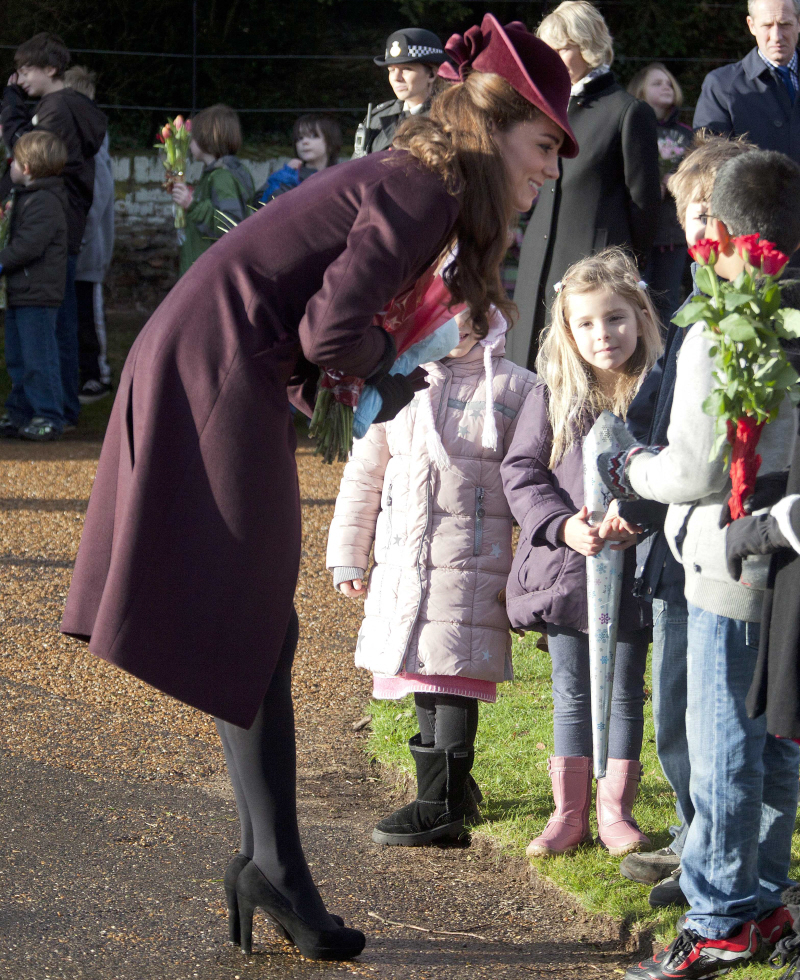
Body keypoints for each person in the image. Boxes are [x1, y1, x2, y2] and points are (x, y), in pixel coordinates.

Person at [60, 14, 577, 961]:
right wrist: (392, 365)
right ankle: (276, 871)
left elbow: (323, 319)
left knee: (262, 623)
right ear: (497, 123)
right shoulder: (424, 188)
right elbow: (331, 334)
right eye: (544, 146)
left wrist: (379, 364)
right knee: (251, 617)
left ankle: (272, 866)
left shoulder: (426, 183)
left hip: (219, 356)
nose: (550, 170)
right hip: (218, 363)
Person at [610, 149, 800, 980]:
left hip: (731, 558)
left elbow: (693, 469)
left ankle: (721, 914)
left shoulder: (724, 328)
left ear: (716, 232)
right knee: (779, 735)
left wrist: (631, 467)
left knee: (726, 742)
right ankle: (764, 895)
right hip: (791, 558)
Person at [327, 309, 537, 846]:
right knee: (421, 667)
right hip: (404, 559)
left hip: (472, 562)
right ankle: (451, 791)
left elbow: (533, 478)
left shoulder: (517, 388)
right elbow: (364, 473)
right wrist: (348, 552)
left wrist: (535, 569)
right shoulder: (399, 384)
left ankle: (439, 803)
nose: (458, 329)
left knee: (453, 672)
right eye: (445, 317)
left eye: (470, 316)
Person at [616, 133, 757, 911]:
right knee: (678, 703)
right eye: (688, 214)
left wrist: (634, 475)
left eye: (710, 212)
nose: (698, 229)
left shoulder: (736, 317)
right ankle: (693, 836)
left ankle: (719, 872)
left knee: (720, 722)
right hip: (683, 537)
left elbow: (698, 457)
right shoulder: (693, 305)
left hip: (720, 539)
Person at [501, 248, 660, 858]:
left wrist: (637, 519)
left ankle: (615, 811)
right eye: (586, 322)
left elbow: (675, 470)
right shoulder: (555, 395)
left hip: (636, 573)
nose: (603, 334)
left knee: (624, 690)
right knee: (571, 690)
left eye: (615, 317)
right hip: (569, 574)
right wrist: (562, 525)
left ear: (640, 315)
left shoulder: (657, 393)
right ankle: (568, 814)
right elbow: (522, 471)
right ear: (568, 330)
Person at [508, 1, 661, 371]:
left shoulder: (627, 111)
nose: (550, 59)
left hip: (594, 271)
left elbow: (644, 206)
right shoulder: (543, 109)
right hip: (537, 265)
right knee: (527, 371)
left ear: (588, 45)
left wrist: (622, 270)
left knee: (582, 380)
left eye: (560, 48)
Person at [1, 32, 107, 430]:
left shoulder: (57, 109)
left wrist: (11, 108)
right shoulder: (67, 106)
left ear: (51, 69)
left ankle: (51, 411)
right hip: (65, 226)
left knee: (47, 331)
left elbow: (29, 152)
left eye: (27, 69)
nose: (20, 77)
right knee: (56, 326)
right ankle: (52, 407)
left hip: (50, 232)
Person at [0, 131, 68, 442]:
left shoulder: (45, 202)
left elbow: (27, 247)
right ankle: (20, 412)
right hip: (22, 291)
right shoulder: (27, 197)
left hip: (37, 294)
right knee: (19, 359)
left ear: (27, 168)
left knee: (38, 358)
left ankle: (48, 416)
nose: (10, 166)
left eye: (14, 162)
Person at [626, 63, 693, 327]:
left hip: (673, 234)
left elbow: (698, 179)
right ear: (640, 91)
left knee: (667, 303)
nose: (666, 87)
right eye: (657, 83)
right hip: (638, 232)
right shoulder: (629, 129)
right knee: (635, 300)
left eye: (669, 83)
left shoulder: (686, 134)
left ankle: (665, 353)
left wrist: (675, 181)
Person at [694, 0, 800, 163]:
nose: (777, 36)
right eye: (767, 25)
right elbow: (709, 160)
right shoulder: (722, 86)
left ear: (798, 22)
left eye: (785, 24)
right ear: (752, 25)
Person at [64, 66, 114, 405]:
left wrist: (81, 237)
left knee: (89, 315)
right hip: (78, 245)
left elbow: (98, 193)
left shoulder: (91, 141)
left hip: (88, 248)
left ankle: (99, 375)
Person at [171, 104, 255, 276]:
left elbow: (230, 226)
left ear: (208, 138)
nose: (189, 142)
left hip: (210, 275)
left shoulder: (222, 177)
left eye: (193, 137)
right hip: (209, 273)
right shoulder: (219, 174)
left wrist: (192, 205)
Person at [352, 28, 447, 158]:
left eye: (406, 69)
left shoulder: (450, 119)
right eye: (391, 70)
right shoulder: (378, 119)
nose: (396, 78)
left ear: (432, 74)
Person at [256, 114, 341, 204]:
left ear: (330, 143)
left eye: (313, 136)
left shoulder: (340, 176)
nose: (304, 141)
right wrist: (285, 179)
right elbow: (261, 204)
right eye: (300, 138)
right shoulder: (287, 175)